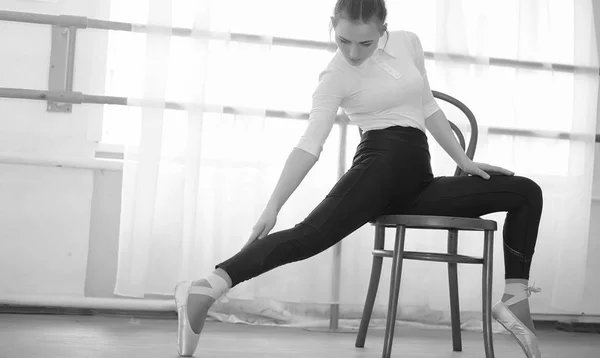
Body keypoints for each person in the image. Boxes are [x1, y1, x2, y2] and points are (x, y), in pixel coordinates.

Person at [174, 0, 544, 357]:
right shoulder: (335, 74)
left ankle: (514, 299)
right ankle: (209, 287)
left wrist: (464, 159)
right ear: (332, 26)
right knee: (309, 237)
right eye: (343, 40)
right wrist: (273, 206)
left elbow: (428, 107)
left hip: (419, 183)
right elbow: (309, 145)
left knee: (526, 193)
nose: (353, 52)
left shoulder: (407, 42)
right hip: (377, 170)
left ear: (383, 29)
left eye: (364, 42)